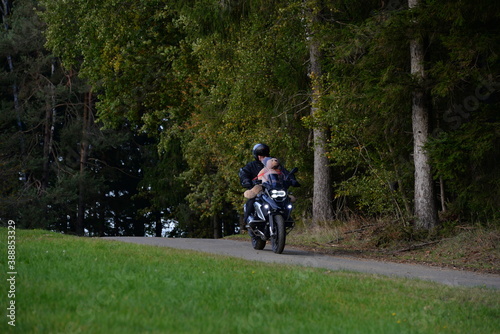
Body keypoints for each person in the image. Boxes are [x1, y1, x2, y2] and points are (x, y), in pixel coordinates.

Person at [239, 144, 270, 227]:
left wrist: (291, 179)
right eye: (260, 155)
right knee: (251, 200)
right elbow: (244, 174)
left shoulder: (273, 163)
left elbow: (283, 172)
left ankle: (287, 217)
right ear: (256, 156)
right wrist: (246, 181)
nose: (262, 157)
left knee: (286, 199)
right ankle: (246, 220)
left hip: (272, 187)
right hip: (258, 189)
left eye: (264, 155)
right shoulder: (251, 166)